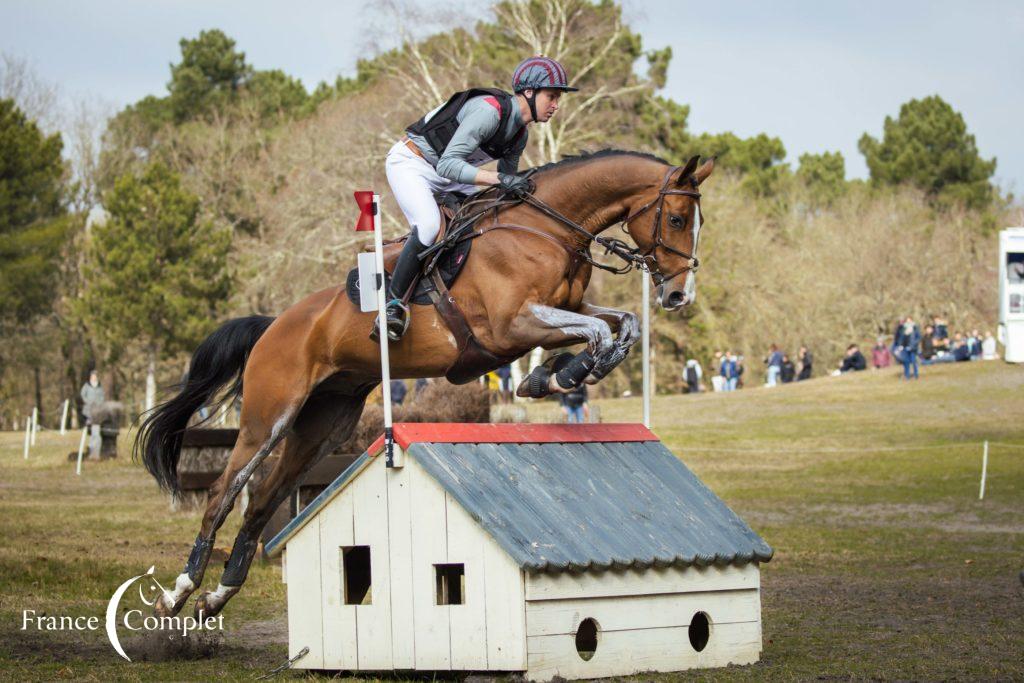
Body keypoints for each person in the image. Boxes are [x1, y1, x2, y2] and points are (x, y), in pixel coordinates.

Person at [374, 56, 578, 342]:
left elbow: (506, 189)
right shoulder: (488, 111)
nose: (556, 105)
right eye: (552, 97)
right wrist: (499, 179)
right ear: (529, 93)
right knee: (430, 226)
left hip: (451, 173)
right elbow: (449, 166)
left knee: (497, 208)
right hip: (413, 164)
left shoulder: (519, 133)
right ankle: (393, 305)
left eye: (557, 99)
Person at [80, 371, 105, 459]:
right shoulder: (87, 386)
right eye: (92, 376)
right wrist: (88, 402)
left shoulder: (99, 386)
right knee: (92, 432)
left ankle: (95, 453)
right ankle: (91, 451)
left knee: (96, 433)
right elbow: (82, 395)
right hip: (88, 411)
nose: (93, 378)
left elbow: (102, 397)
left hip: (97, 411)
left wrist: (98, 403)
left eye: (95, 376)